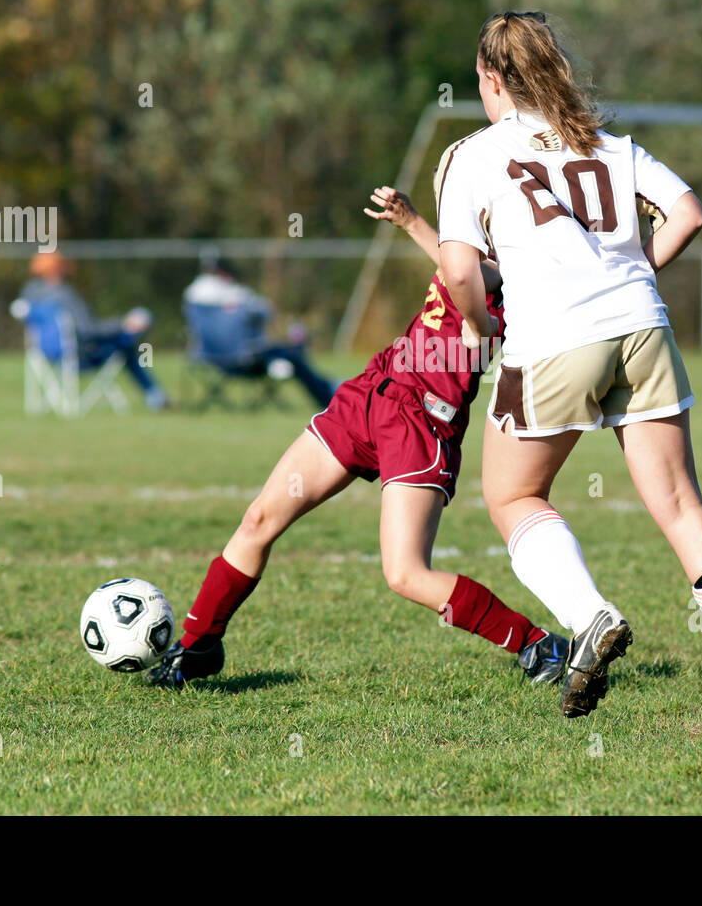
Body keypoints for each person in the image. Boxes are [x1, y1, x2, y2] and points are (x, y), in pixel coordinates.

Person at [436, 10, 702, 718]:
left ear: (490, 78)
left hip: (554, 339)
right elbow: (687, 212)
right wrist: (636, 275)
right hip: (642, 328)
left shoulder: (474, 154)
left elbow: (460, 274)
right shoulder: (607, 142)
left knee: (512, 497)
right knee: (684, 504)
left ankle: (591, 616)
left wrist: (480, 329)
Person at [146, 188, 567, 690]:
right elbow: (459, 268)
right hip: (369, 397)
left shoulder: (522, 288)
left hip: (420, 424)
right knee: (259, 517)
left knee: (405, 573)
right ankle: (197, 648)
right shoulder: (472, 262)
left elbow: (472, 287)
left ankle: (537, 644)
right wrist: (412, 222)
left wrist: (427, 233)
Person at [16, 252, 169, 410]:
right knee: (129, 339)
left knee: (127, 343)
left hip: (47, 355)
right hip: (82, 355)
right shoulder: (65, 295)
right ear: (55, 271)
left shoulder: (29, 296)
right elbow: (88, 330)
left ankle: (154, 393)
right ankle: (154, 394)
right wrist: (123, 324)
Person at [182, 258, 336, 409]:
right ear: (224, 274)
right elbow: (264, 311)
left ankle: (283, 367)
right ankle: (328, 395)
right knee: (293, 355)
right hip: (245, 359)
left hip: (205, 356)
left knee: (284, 355)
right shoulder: (238, 295)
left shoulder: (192, 297)